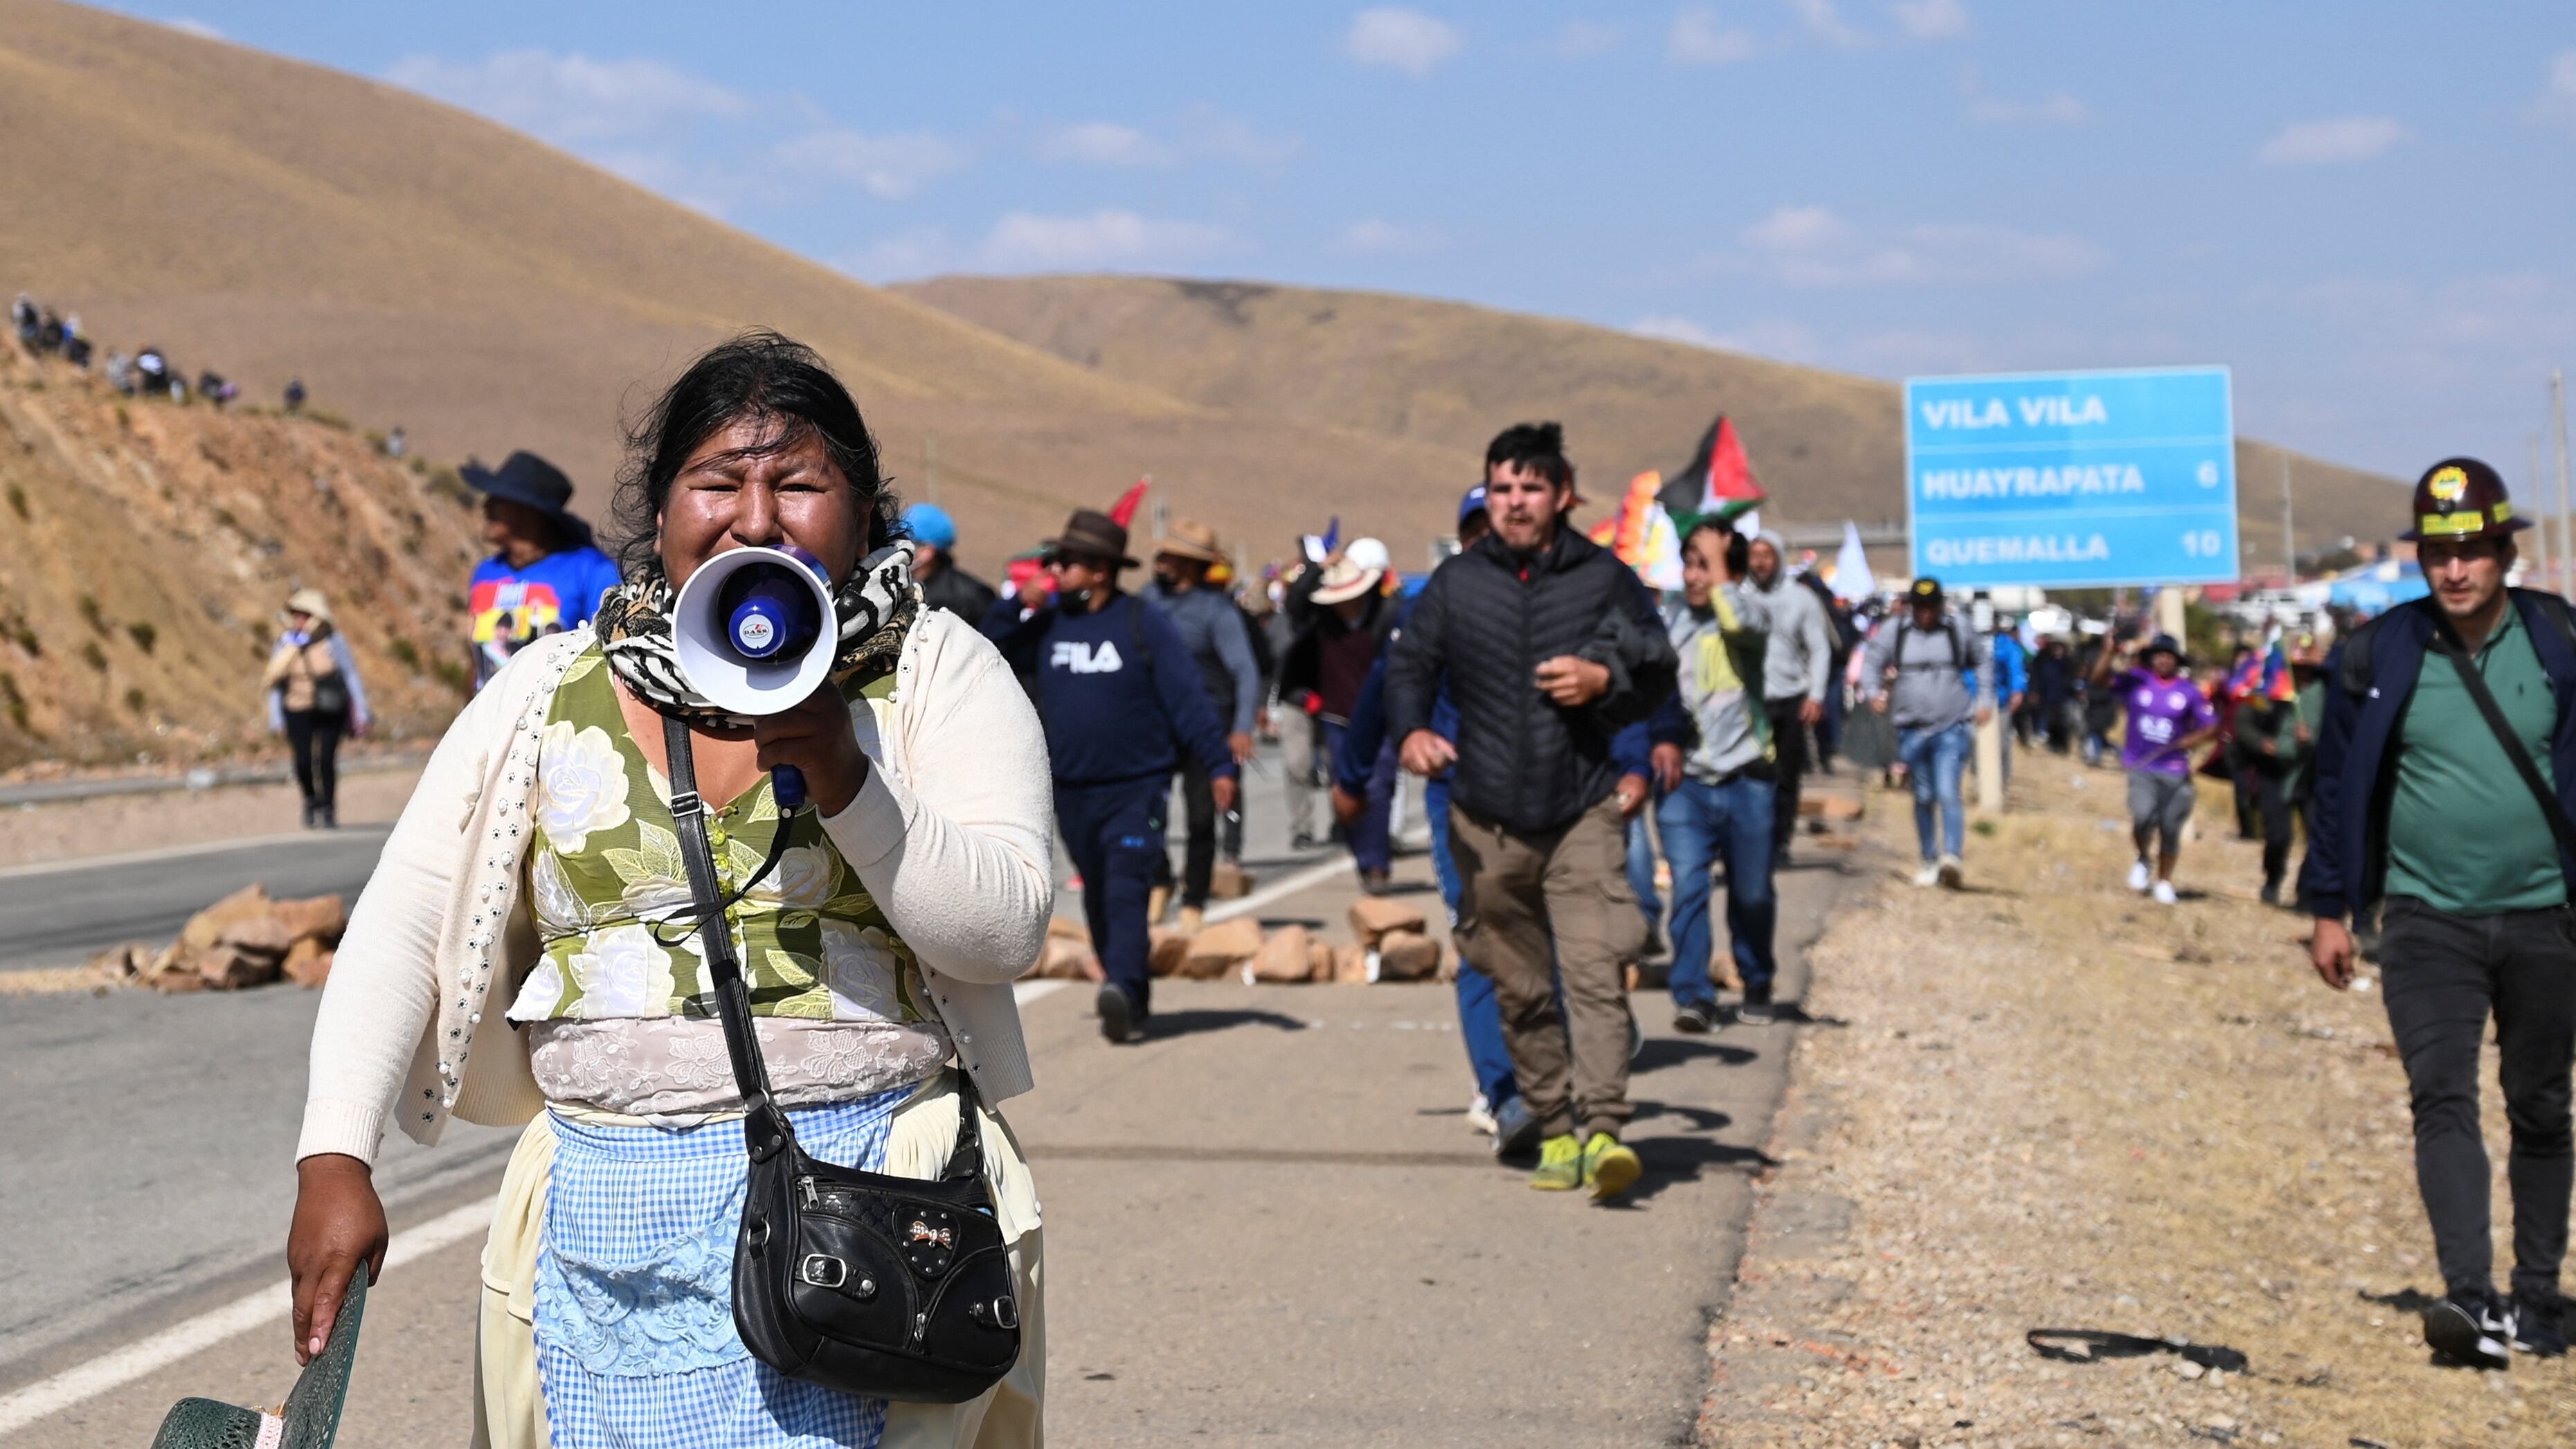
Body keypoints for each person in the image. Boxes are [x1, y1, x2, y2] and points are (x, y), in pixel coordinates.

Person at [285, 332, 1052, 1445]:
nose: (754, 518)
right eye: (714, 481)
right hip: (598, 1229)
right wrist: (335, 1156)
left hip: (868, 1227)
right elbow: (406, 919)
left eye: (798, 484)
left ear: (863, 515)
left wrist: (846, 771)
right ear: (659, 512)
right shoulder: (548, 689)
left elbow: (1002, 934)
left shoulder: (936, 675)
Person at [2305, 456, 2576, 1370]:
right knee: (2442, 1097)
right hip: (2425, 920)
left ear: (2504, 550)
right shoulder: (2379, 653)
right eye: (2436, 553)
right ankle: (2471, 1297)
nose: (2453, 571)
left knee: (2539, 1107)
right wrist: (2329, 907)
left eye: (2470, 551)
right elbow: (2334, 787)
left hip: (2548, 918)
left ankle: (2537, 1297)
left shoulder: (2558, 641)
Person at [1385, 420, 1677, 1201]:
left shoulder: (1602, 577)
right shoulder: (1458, 583)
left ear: (1562, 495)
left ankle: (1607, 1127)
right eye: (1503, 488)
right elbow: (1409, 664)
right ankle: (1554, 1127)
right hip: (1485, 817)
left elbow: (1656, 668)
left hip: (1580, 808)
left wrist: (1601, 676)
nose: (1515, 502)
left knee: (1592, 972)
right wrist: (1412, 730)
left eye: (1531, 488)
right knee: (1520, 986)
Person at [1326, 485, 1540, 1157]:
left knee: (1546, 934)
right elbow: (1387, 683)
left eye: (1496, 527)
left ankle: (1559, 1073)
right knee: (1479, 936)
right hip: (1461, 793)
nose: (1486, 540)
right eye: (1472, 530)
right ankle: (1504, 1094)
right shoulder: (1431, 604)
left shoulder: (1558, 597)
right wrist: (1353, 774)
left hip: (1550, 795)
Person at [984, 507, 1237, 1044]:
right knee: (1098, 892)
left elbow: (1187, 697)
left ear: (1100, 569)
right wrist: (1019, 604)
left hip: (1136, 785)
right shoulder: (1052, 623)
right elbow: (987, 649)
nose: (1057, 571)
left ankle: (1120, 985)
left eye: (1067, 562)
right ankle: (1132, 994)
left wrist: (1217, 763)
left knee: (1125, 887)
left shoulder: (1141, 622)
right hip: (1072, 788)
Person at [1648, 520, 1779, 1030]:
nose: (1695, 575)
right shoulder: (1669, 622)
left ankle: (1757, 976)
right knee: (1687, 887)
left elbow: (1740, 622)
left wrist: (1722, 563)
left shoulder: (1751, 615)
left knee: (1751, 892)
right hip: (1687, 782)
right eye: (1690, 562)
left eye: (1707, 564)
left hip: (1747, 776)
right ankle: (1694, 993)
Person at [1142, 519, 1261, 933]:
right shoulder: (1147, 601)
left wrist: (1242, 728)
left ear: (1190, 565)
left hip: (1207, 722)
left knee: (1199, 816)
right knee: (1144, 808)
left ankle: (1194, 897)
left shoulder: (1216, 612)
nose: (1159, 562)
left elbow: (1245, 672)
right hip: (1156, 721)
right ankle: (1159, 880)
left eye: (1169, 556)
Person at [1861, 577, 1990, 888]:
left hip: (1952, 724)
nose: (1926, 613)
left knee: (1948, 791)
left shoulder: (1957, 627)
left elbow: (1982, 661)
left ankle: (1953, 858)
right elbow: (1873, 661)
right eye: (1920, 607)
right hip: (1913, 728)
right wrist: (1873, 691)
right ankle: (1929, 859)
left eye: (1932, 607)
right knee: (1922, 795)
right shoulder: (1897, 630)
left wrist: (1985, 700)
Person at [1280, 539, 1397, 883]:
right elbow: (1294, 604)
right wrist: (1318, 568)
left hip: (1380, 716)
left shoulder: (1384, 615)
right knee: (1345, 790)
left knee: (1379, 786)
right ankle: (1362, 856)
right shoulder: (1321, 621)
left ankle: (1377, 864)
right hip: (1337, 718)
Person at [463, 451, 623, 690]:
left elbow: (611, 659)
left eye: (498, 499)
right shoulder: (486, 573)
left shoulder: (591, 571)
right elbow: (476, 663)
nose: (486, 506)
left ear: (529, 512)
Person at [2089, 631, 2220, 904]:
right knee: (2142, 816)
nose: (2163, 660)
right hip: (2141, 765)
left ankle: (2164, 880)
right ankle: (2142, 858)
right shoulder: (2137, 681)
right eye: (2158, 655)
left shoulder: (2188, 691)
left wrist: (2191, 740)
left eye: (2168, 656)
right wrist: (2109, 653)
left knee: (2171, 829)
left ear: (2176, 660)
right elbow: (2099, 680)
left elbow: (2212, 726)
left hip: (2174, 769)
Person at [1745, 530, 1830, 866]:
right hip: (1749, 701)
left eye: (1768, 555)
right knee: (1751, 773)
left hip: (1792, 698)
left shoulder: (1802, 599)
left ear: (1779, 559)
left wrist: (1817, 695)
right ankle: (1750, 841)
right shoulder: (1738, 596)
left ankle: (1781, 842)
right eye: (1755, 555)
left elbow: (1820, 649)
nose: (1761, 562)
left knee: (1786, 775)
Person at [262, 588, 370, 829]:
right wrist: (276, 718)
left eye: (304, 614)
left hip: (330, 707)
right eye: (296, 614)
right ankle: (311, 800)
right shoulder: (285, 643)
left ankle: (329, 808)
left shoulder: (332, 640)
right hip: (296, 707)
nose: (299, 619)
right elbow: (275, 683)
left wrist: (362, 711)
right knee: (302, 761)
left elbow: (350, 674)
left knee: (326, 760)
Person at [2230, 659, 2305, 905]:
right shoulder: (2261, 697)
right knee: (2278, 835)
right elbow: (2243, 724)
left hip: (2307, 773)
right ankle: (2273, 879)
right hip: (2272, 775)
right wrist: (2262, 743)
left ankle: (2309, 892)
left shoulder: (2313, 696)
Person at [903, 501, 999, 621]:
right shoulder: (893, 584)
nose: (895, 548)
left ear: (926, 552)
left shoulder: (973, 598)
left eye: (903, 542)